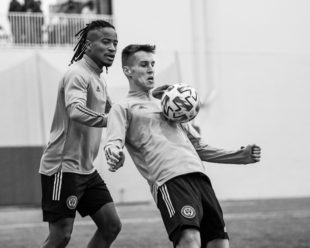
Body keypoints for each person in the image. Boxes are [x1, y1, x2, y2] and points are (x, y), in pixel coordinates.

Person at [104, 44, 261, 248]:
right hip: (170, 180)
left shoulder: (171, 103)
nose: (151, 69)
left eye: (152, 64)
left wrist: (240, 157)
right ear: (128, 71)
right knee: (189, 240)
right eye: (143, 64)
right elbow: (113, 140)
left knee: (219, 243)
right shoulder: (123, 107)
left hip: (200, 177)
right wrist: (113, 153)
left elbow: (199, 147)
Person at [39, 20, 123, 248]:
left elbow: (115, 113)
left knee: (111, 226)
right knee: (61, 237)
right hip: (62, 167)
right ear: (87, 45)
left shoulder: (98, 79)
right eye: (106, 42)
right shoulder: (77, 74)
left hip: (86, 170)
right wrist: (112, 120)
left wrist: (144, 102)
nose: (113, 48)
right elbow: (76, 111)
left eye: (115, 43)